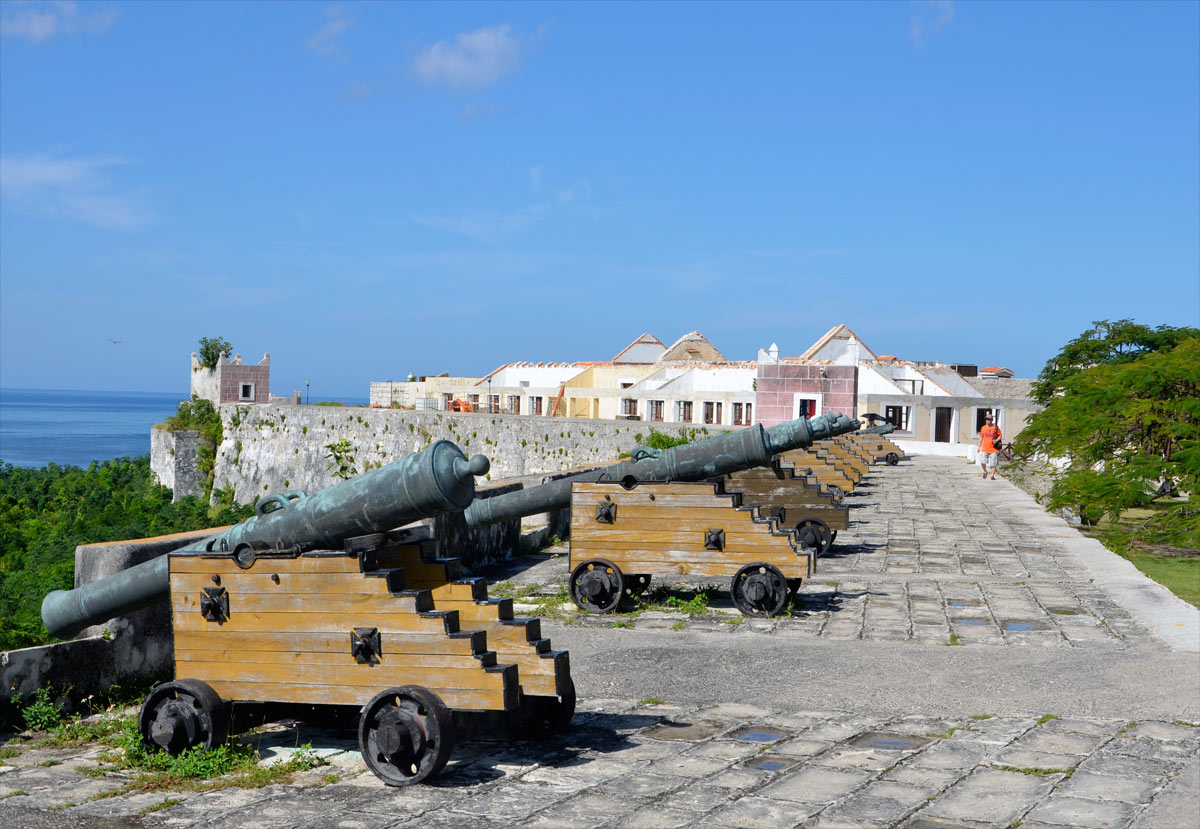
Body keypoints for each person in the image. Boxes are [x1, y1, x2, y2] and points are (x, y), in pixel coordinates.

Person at [978, 414, 1002, 480]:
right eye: (986, 419)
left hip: (993, 448)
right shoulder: (983, 428)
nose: (987, 421)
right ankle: (985, 472)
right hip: (985, 448)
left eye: (988, 419)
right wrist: (979, 446)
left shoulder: (995, 427)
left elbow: (1000, 436)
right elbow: (981, 437)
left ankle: (992, 476)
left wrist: (996, 440)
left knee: (993, 463)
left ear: (992, 420)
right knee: (983, 461)